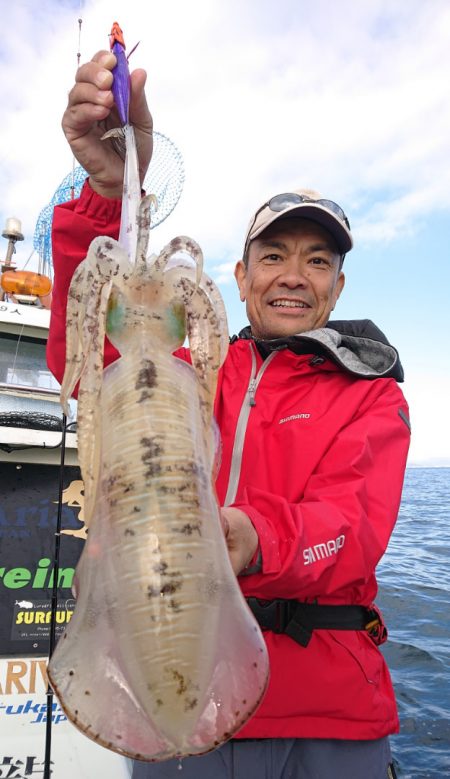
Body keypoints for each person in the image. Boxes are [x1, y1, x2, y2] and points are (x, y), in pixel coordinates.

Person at [47, 50, 410, 779]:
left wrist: (258, 536)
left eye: (317, 262)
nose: (294, 277)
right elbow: (91, 360)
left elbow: (355, 528)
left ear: (338, 286)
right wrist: (110, 186)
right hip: (176, 700)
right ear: (240, 278)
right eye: (274, 255)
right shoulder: (193, 377)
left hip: (328, 713)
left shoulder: (370, 392)